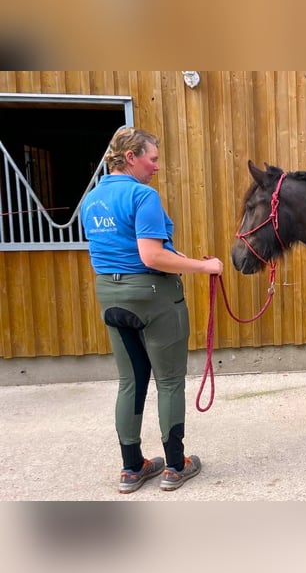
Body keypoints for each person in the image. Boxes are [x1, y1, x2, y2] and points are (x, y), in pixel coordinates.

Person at [81, 126, 224, 493]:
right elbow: (151, 255)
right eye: (152, 158)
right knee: (170, 381)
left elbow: (111, 249)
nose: (156, 166)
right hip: (152, 295)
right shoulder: (143, 195)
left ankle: (131, 469)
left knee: (130, 381)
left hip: (110, 295)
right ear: (131, 157)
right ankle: (175, 466)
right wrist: (204, 266)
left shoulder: (91, 200)